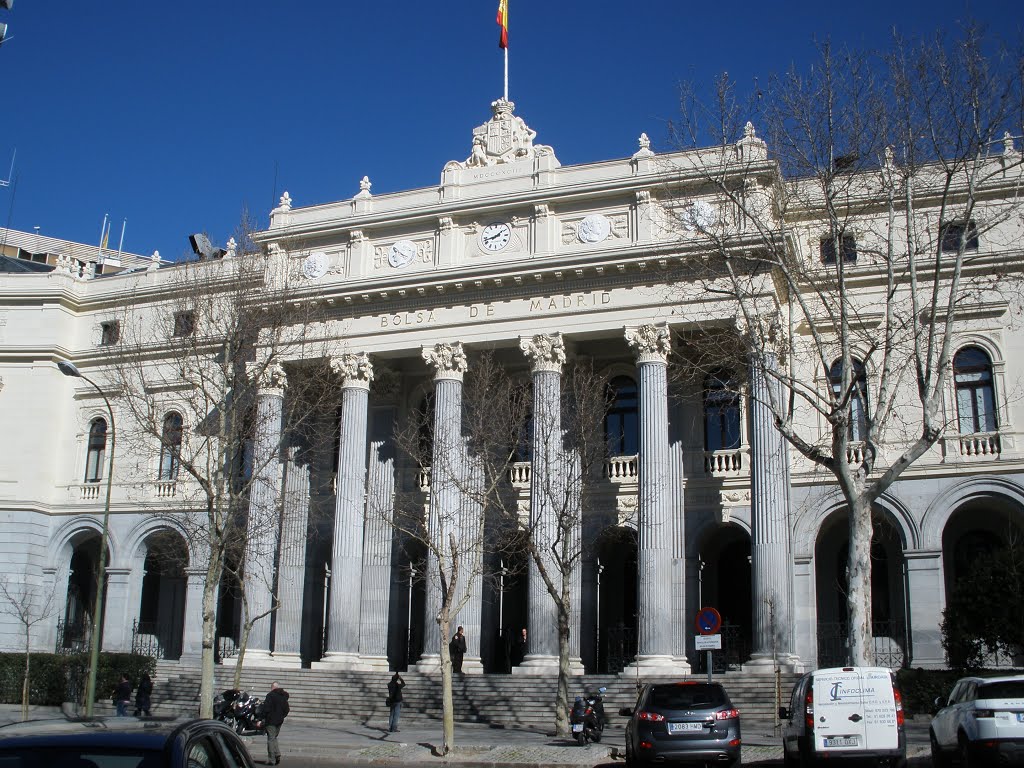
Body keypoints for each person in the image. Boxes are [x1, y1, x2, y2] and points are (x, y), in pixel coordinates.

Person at [261, 681, 290, 765]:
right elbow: (287, 709)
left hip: (271, 720)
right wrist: (282, 716)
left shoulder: (270, 695)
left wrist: (262, 718)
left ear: (272, 687)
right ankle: (277, 754)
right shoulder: (283, 696)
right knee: (274, 737)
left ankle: (271, 759)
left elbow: (266, 708)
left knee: (270, 738)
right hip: (279, 721)